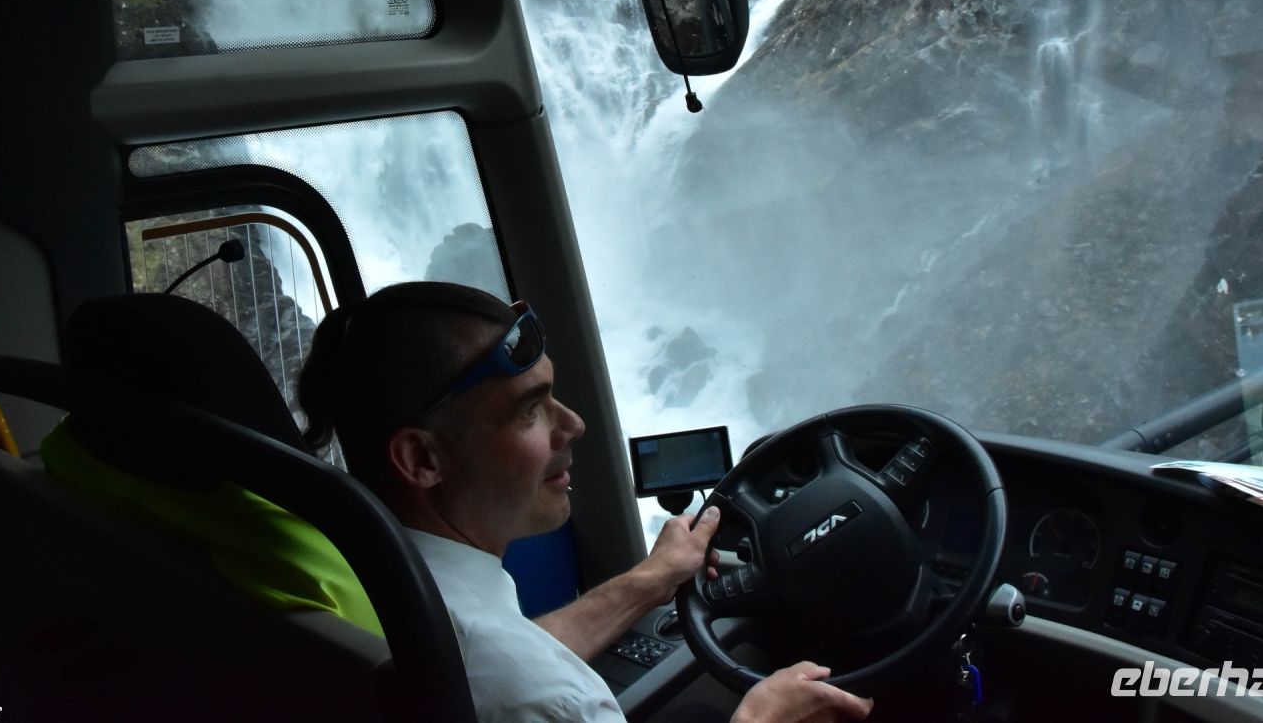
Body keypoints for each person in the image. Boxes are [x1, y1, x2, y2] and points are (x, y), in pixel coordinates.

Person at [299, 281, 873, 723]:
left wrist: (651, 577)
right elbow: (515, 674)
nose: (573, 423)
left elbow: (490, 659)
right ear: (422, 460)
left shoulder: (382, 588)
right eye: (530, 408)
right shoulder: (544, 695)